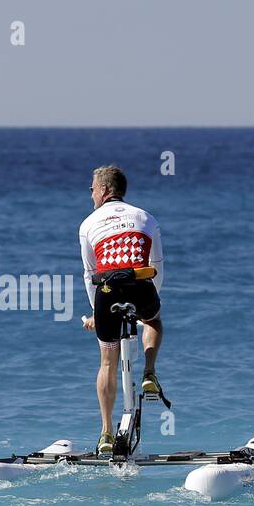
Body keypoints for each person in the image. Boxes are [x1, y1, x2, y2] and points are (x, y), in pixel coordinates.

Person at [78, 166, 164, 453]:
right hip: (140, 284)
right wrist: (150, 307)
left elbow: (90, 272)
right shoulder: (145, 217)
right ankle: (149, 374)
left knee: (106, 361)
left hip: (106, 290)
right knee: (154, 322)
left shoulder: (88, 223)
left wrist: (95, 313)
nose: (90, 194)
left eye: (92, 188)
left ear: (103, 190)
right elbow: (157, 266)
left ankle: (105, 433)